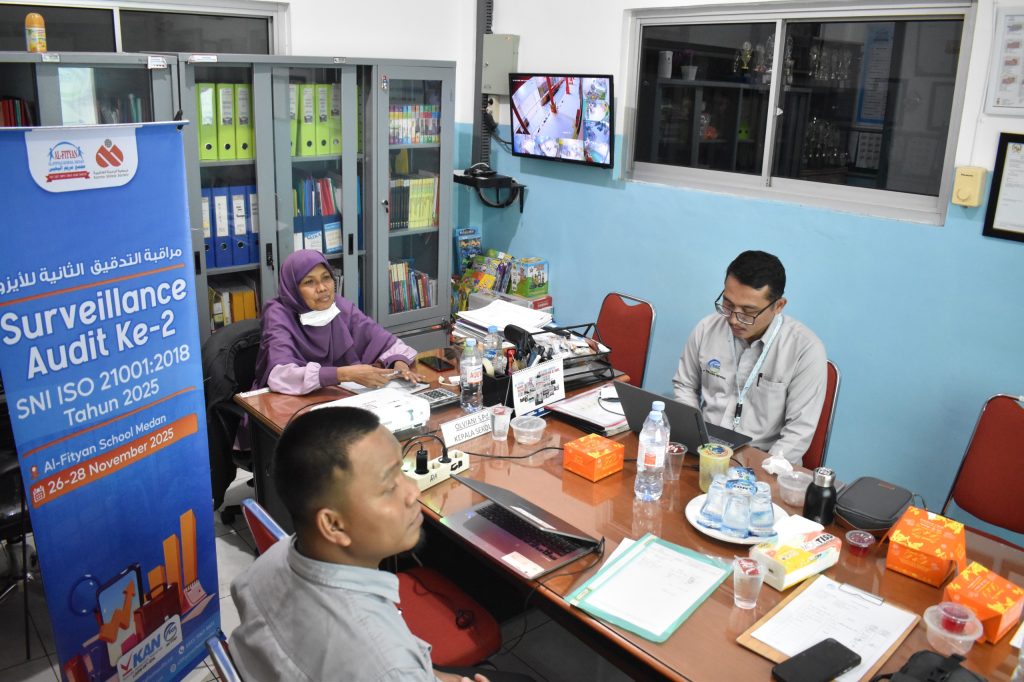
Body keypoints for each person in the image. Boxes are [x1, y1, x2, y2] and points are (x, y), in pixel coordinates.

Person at [230, 407, 531, 682]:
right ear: (333, 525)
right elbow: (391, 669)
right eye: (389, 487)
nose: (413, 491)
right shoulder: (387, 664)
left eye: (402, 471)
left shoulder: (268, 563)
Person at [672, 250, 826, 465]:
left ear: (778, 306)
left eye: (748, 311)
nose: (734, 319)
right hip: (705, 452)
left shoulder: (805, 349)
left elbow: (798, 431)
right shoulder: (707, 328)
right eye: (728, 304)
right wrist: (694, 436)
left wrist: (761, 471)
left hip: (763, 462)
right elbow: (685, 385)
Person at [254, 249, 422, 394]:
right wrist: (344, 374)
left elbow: (387, 342)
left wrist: (399, 364)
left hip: (340, 396)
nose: (322, 288)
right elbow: (280, 376)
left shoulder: (339, 306)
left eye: (326, 278)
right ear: (293, 288)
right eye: (309, 282)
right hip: (288, 403)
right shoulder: (278, 314)